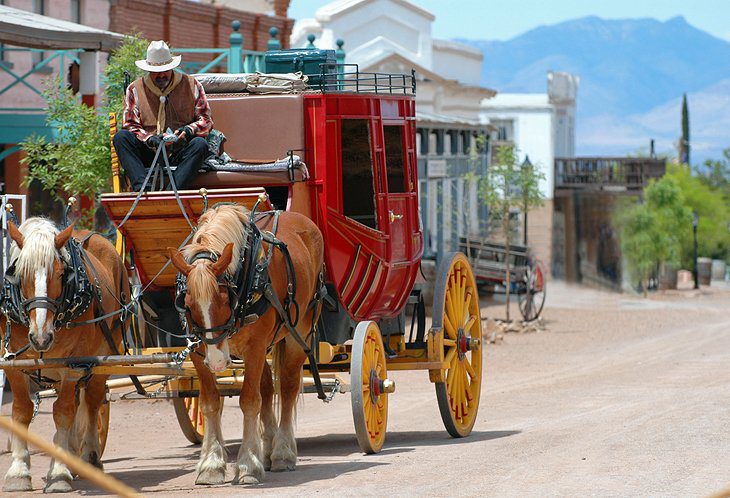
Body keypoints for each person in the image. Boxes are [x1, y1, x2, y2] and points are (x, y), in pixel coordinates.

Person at [113, 40, 213, 191]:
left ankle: (173, 191)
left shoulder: (192, 85)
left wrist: (187, 131)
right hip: (149, 152)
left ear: (172, 67)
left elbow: (206, 120)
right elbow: (130, 124)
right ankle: (142, 189)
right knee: (121, 137)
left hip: (180, 150)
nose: (161, 75)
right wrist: (150, 139)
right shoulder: (134, 89)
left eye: (165, 70)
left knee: (200, 145)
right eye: (155, 72)